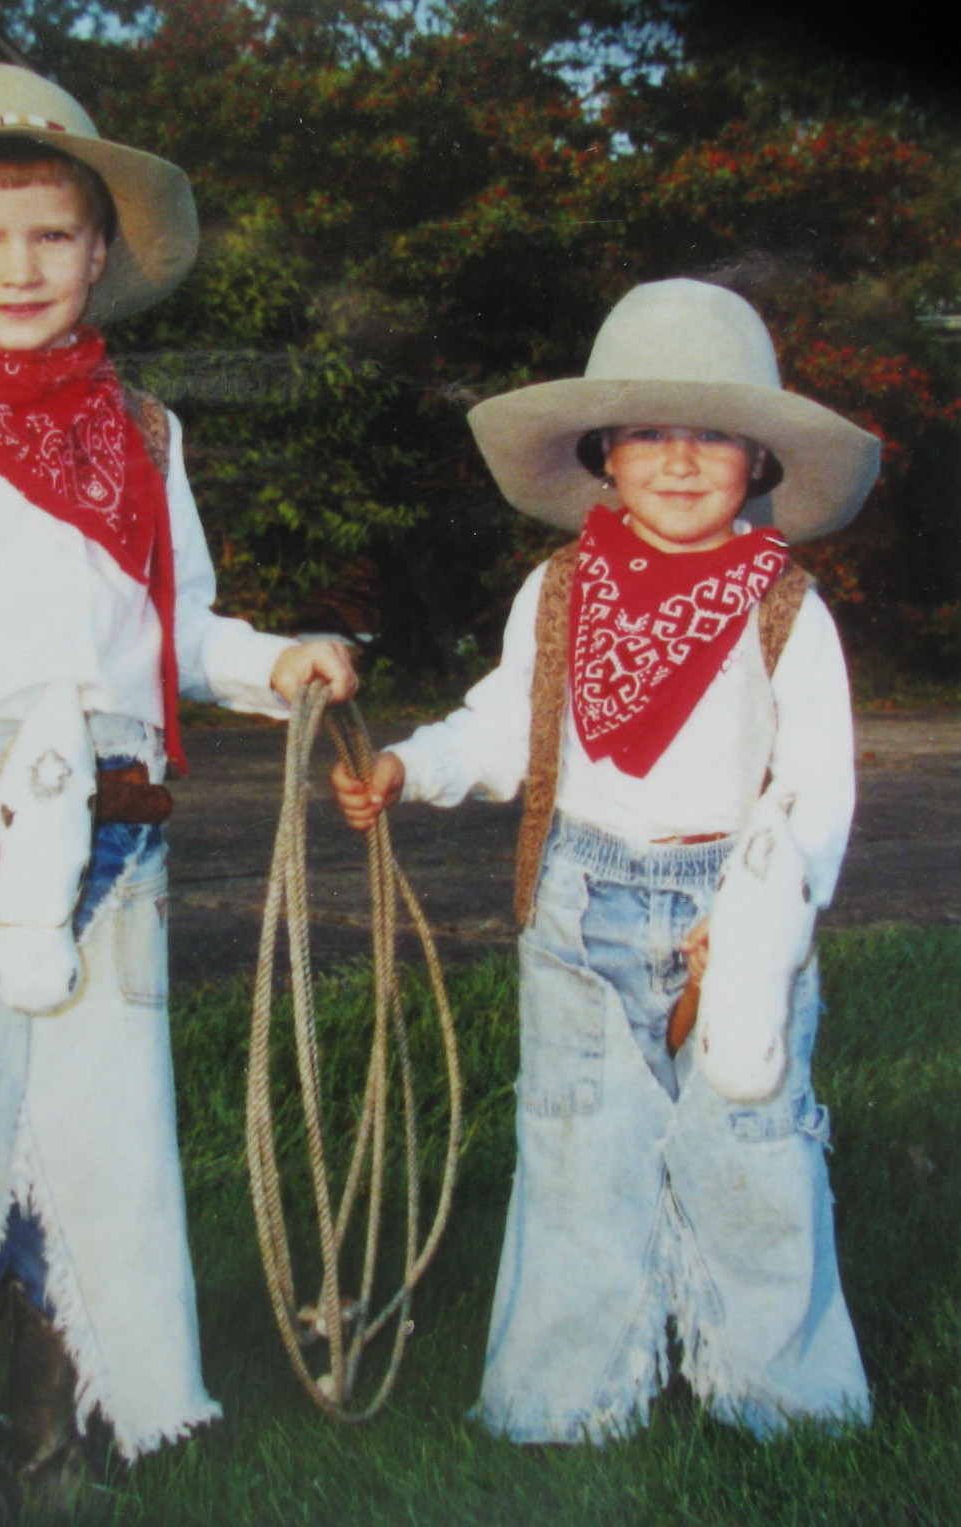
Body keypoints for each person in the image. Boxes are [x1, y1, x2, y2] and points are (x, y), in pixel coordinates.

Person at [0, 63, 355, 1513]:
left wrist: (273, 661)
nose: (20, 269)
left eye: (51, 235)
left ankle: (81, 1407)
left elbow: (175, 628)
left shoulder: (146, 434)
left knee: (96, 1128)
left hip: (119, 819)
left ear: (100, 251)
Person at [332, 278, 876, 1443]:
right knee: (578, 1146)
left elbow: (814, 784)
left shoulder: (782, 605)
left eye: (712, 438)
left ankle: (786, 1399)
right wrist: (405, 767)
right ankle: (562, 1401)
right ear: (602, 457)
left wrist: (752, 919)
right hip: (580, 902)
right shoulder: (560, 590)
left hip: (730, 907)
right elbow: (498, 725)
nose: (679, 463)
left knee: (751, 1139)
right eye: (647, 436)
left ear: (759, 462)